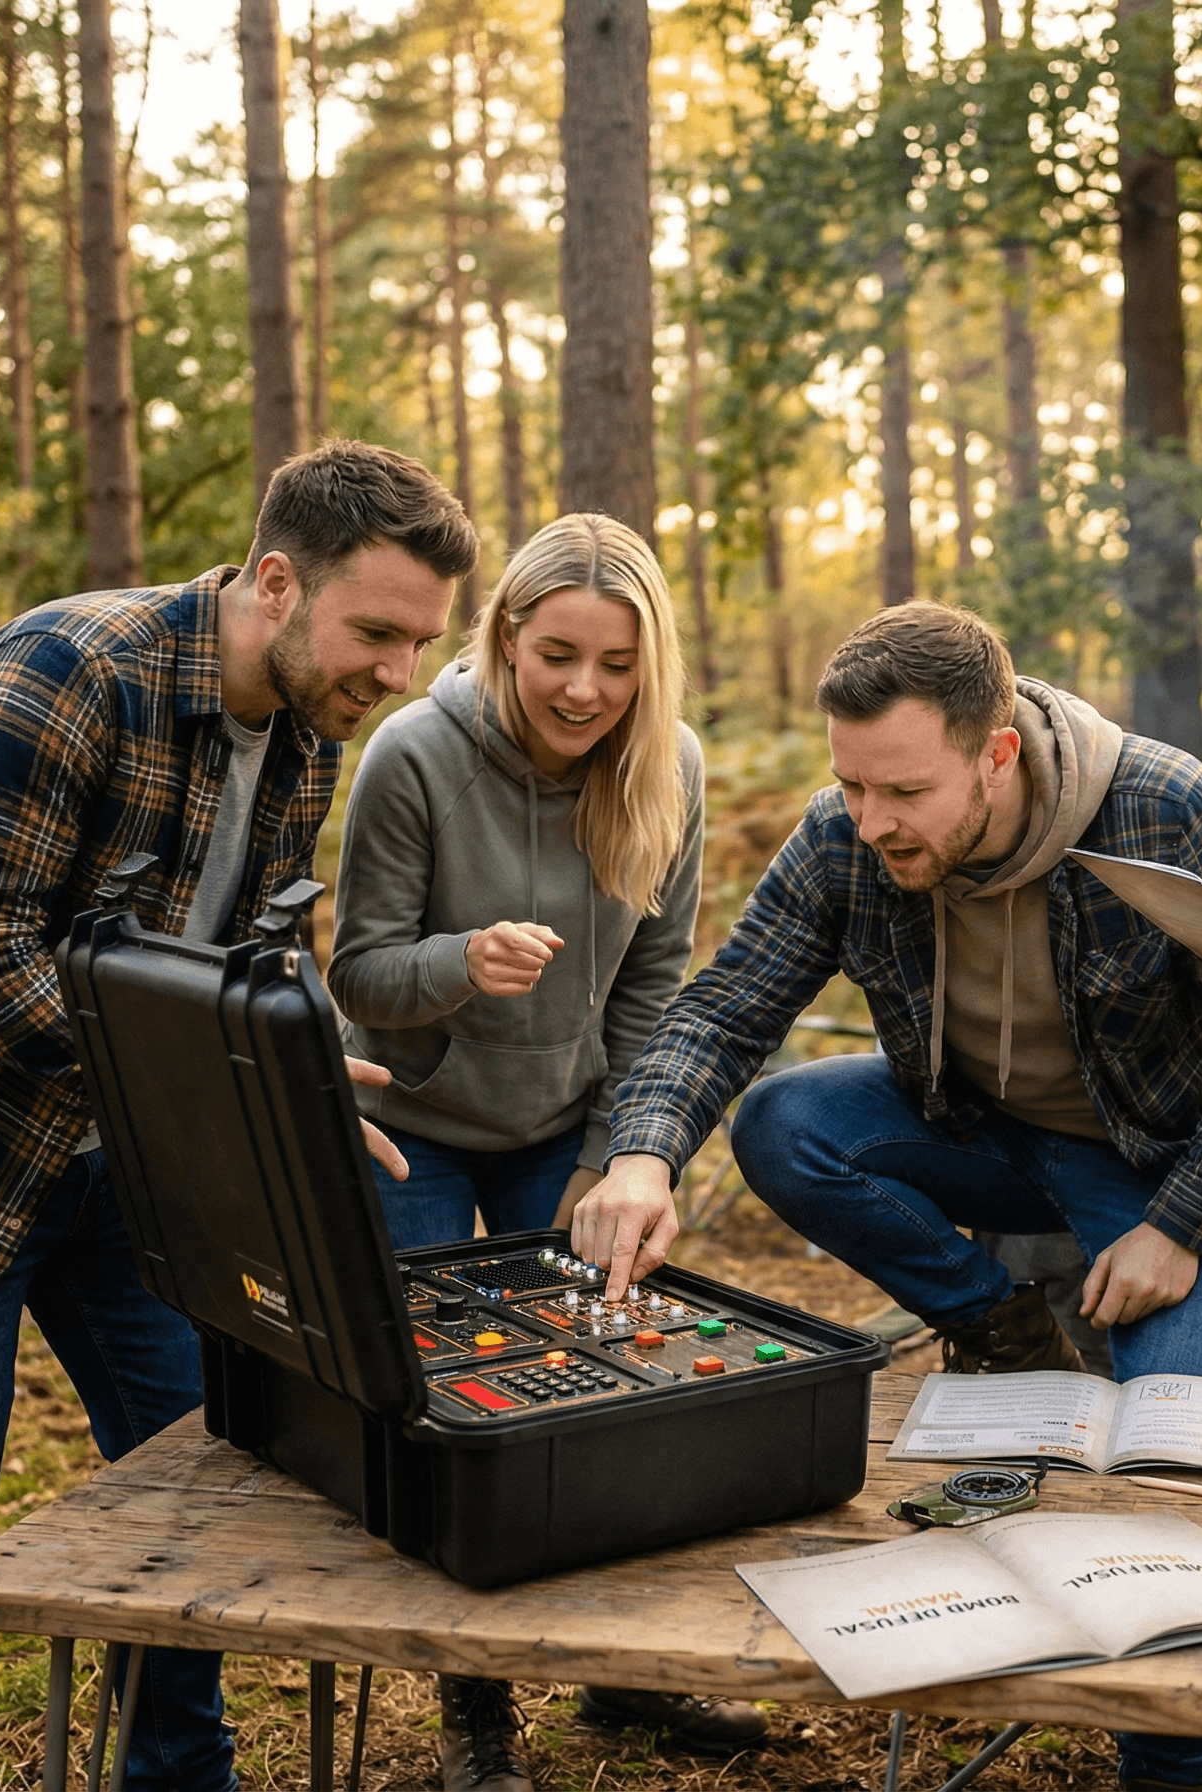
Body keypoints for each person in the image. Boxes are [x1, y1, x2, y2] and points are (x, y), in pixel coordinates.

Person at [0, 440, 476, 1792]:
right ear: (277, 581)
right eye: (377, 632)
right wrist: (199, 1102)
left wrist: (298, 1085)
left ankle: (173, 1775)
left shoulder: (307, 733)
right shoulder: (67, 675)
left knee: (196, 1480)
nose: (397, 676)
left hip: (119, 1172)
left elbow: (244, 963)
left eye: (419, 644)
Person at [573, 601, 1202, 1792]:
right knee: (786, 1120)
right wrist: (643, 1154)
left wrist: (1182, 1227)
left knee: (1180, 1469)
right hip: (973, 1130)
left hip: (1157, 1164)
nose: (870, 821)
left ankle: (1169, 1762)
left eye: (904, 792)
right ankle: (1003, 1329)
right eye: (852, 784)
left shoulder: (1162, 806)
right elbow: (726, 1010)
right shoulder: (842, 837)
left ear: (997, 752)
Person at [326, 513, 758, 1789]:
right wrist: (461, 965)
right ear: (506, 635)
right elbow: (356, 973)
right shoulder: (413, 755)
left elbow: (657, 987)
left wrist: (613, 1148)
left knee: (610, 1393)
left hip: (561, 1136)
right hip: (416, 1138)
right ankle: (479, 1709)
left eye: (617, 665)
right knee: (460, 1408)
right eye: (558, 654)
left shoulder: (665, 764)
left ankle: (622, 1673)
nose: (585, 690)